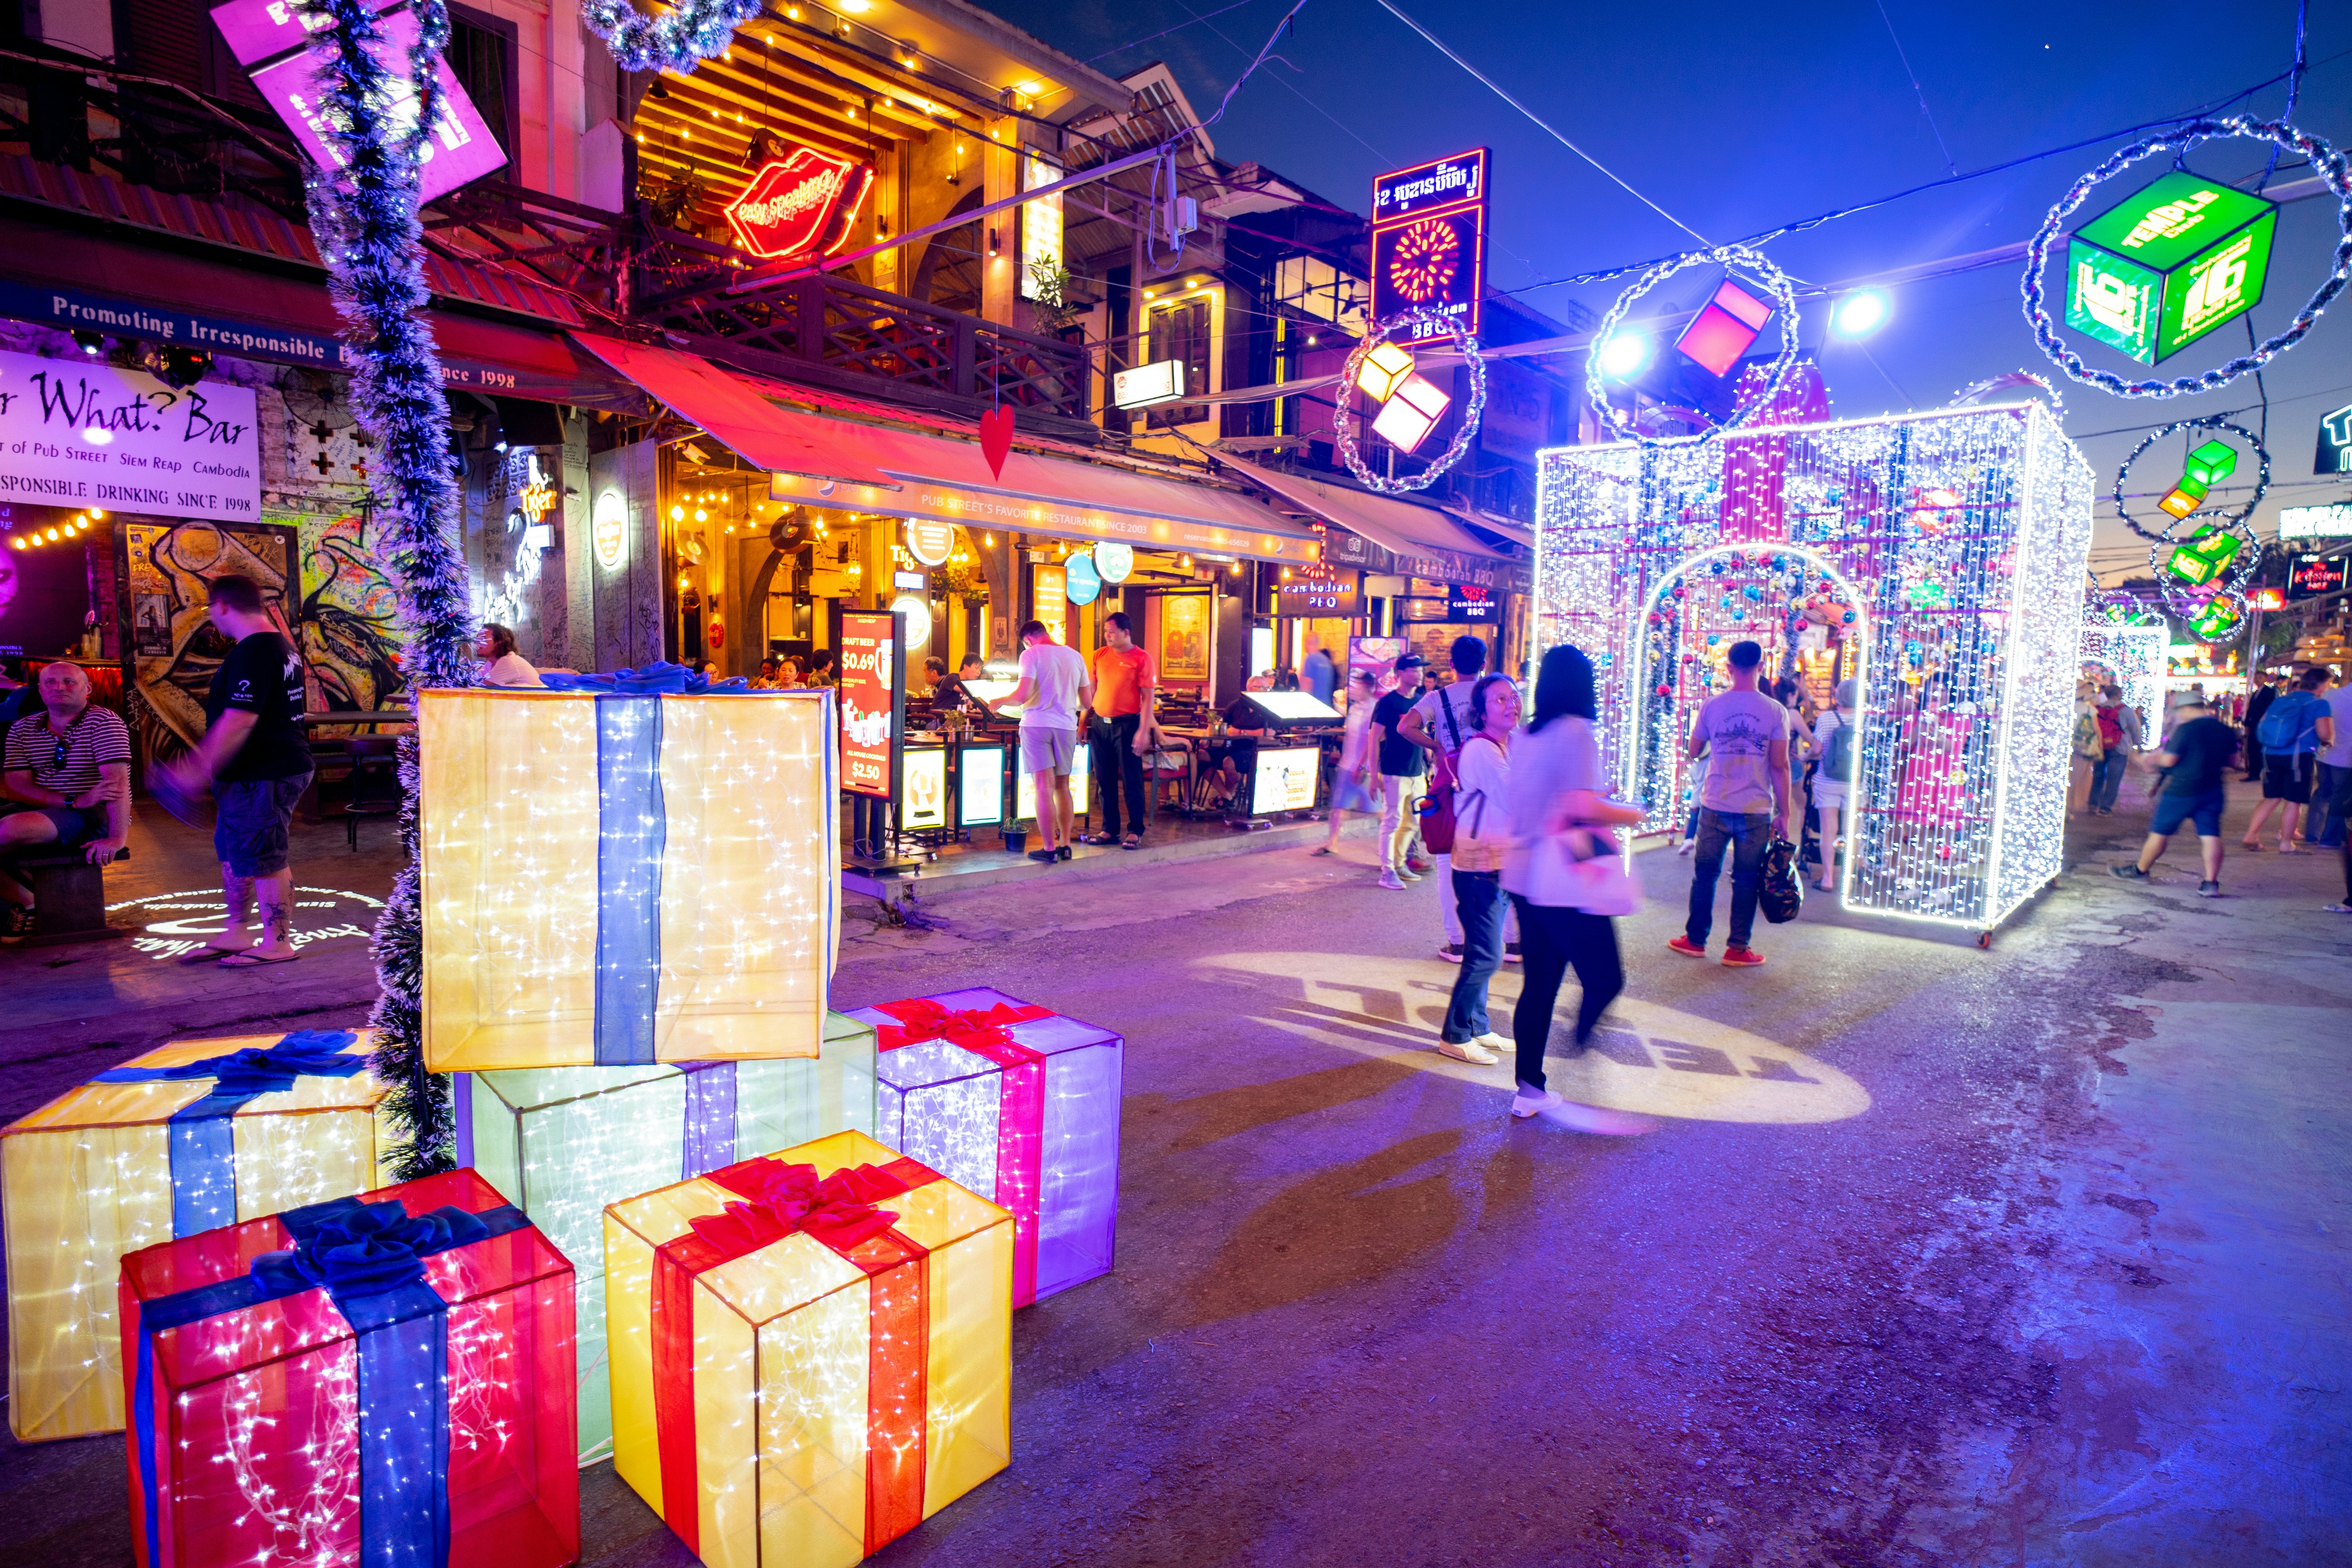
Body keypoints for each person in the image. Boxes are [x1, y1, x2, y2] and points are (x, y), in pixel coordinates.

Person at [1499, 644, 1652, 1136]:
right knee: (1606, 977)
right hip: (1562, 876)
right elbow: (1584, 805)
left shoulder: (1526, 735)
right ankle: (1580, 1042)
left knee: (1539, 984)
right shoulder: (1577, 732)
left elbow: (1546, 799)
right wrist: (1635, 812)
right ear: (1584, 685)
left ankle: (1530, 1089)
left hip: (1523, 875)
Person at [153, 574, 314, 965]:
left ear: (222, 605)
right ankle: (238, 931)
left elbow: (240, 719)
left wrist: (193, 770)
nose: (211, 618)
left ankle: (277, 943)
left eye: (210, 609)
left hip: (264, 773)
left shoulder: (254, 650)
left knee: (264, 856)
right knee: (235, 851)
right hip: (251, 773)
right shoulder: (276, 645)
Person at [1668, 638, 1789, 967]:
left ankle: (1695, 940)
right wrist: (1785, 813)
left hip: (1715, 803)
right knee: (1747, 878)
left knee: (1705, 875)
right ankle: (1738, 948)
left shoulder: (1712, 705)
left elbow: (1694, 751)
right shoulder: (1775, 711)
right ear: (1762, 667)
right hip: (1756, 808)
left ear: (1729, 668)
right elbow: (1779, 766)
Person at [1401, 635, 1520, 964]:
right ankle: (1513, 943)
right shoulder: (1495, 694)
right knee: (1503, 857)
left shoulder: (1437, 697)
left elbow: (1404, 727)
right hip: (1495, 776)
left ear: (1451, 664)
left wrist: (1437, 747)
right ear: (1484, 665)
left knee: (1448, 861)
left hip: (1454, 782)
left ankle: (1458, 943)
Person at [0, 662, 132, 941]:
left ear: (88, 689)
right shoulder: (23, 729)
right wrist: (72, 800)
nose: (59, 687)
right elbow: (17, 787)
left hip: (93, 814)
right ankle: (25, 900)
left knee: (8, 830)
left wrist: (117, 838)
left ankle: (28, 904)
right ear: (40, 690)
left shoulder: (104, 722)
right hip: (63, 806)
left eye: (69, 682)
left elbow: (117, 784)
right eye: (50, 682)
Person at [1436, 673, 1521, 1065]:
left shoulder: (1508, 746)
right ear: (1481, 711)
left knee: (1485, 950)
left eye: (1514, 697)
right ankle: (1454, 1035)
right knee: (1486, 955)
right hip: (1478, 866)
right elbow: (1513, 799)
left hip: (1498, 861)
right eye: (1500, 699)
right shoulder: (1483, 751)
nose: (1510, 704)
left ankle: (1479, 1026)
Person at [2113, 692, 2237, 896]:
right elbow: (2233, 762)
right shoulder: (2224, 730)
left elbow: (2169, 761)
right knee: (2211, 835)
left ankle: (2140, 871)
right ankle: (2210, 884)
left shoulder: (2186, 730)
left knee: (2160, 833)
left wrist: (2149, 760)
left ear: (2186, 709)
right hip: (2213, 789)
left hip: (2181, 790)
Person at [998, 619, 1089, 864]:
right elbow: (1088, 702)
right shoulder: (1075, 656)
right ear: (1045, 633)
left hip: (1037, 725)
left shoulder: (1031, 655)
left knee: (1043, 788)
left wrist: (998, 701)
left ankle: (1049, 848)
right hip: (1067, 728)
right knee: (1062, 786)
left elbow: (1022, 695)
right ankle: (1066, 845)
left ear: (1027, 640)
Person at [1085, 611, 1154, 850]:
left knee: (1131, 780)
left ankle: (1135, 830)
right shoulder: (1100, 655)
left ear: (1126, 633)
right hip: (1100, 725)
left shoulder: (1142, 658)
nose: (1107, 636)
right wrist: (1083, 722)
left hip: (1128, 725)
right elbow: (1092, 694)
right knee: (1104, 781)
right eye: (1105, 631)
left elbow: (1148, 699)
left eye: (1112, 631)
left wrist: (1143, 731)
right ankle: (1109, 829)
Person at [2244, 666, 2331, 853]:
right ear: (2323, 684)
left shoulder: (2282, 700)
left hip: (2270, 753)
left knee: (2271, 797)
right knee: (2294, 800)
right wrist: (2328, 741)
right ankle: (2286, 843)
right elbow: (2325, 734)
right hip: (2298, 756)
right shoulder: (2319, 704)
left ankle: (2251, 834)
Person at [1372, 654, 1428, 891]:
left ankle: (1400, 863)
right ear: (1400, 674)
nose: (1419, 673)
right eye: (1414, 669)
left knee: (1413, 822)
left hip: (1417, 772)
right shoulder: (1387, 703)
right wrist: (1373, 775)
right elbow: (1374, 738)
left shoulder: (1421, 701)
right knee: (1392, 822)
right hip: (1394, 771)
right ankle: (1387, 872)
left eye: (1421, 670)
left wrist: (1431, 761)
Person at [1316, 667, 1379, 858]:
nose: (1353, 688)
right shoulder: (1354, 708)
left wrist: (1362, 766)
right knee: (1338, 807)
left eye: (1357, 684)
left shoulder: (1374, 709)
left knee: (1378, 810)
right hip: (1347, 766)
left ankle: (1396, 846)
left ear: (1367, 686)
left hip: (1363, 768)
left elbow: (1372, 740)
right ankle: (1332, 843)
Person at [1809, 676, 1858, 893]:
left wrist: (1805, 757)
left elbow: (1817, 750)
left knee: (1829, 829)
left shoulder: (1827, 718)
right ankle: (1849, 876)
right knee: (1851, 830)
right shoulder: (1866, 719)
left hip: (1827, 780)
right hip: (1855, 781)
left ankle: (1828, 878)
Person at [2314, 666, 2352, 852]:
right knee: (2341, 797)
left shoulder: (2331, 695)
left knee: (2323, 792)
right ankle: (2330, 838)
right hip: (2345, 757)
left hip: (2323, 753)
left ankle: (2312, 833)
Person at [2088, 684, 2140, 815]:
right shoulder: (2126, 710)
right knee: (2114, 778)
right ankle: (2105, 808)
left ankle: (2093, 803)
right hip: (2120, 747)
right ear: (2118, 695)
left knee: (2098, 775)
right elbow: (2135, 729)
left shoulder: (2098, 708)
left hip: (2100, 746)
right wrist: (2138, 743)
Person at [2068, 680, 2105, 817]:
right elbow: (2097, 730)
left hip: (2068, 747)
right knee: (2079, 778)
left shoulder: (2067, 707)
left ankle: (2065, 806)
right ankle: (2072, 807)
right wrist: (2100, 748)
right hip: (2084, 749)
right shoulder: (2090, 710)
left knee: (2067, 776)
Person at [932, 653, 997, 722]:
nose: (979, 673)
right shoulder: (952, 678)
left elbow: (978, 699)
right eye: (977, 668)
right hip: (937, 721)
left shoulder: (971, 685)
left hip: (955, 721)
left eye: (980, 670)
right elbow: (966, 689)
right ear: (966, 666)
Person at [475, 623, 542, 687]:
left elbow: (481, 685)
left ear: (499, 642)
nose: (477, 642)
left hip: (538, 698)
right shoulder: (490, 663)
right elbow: (475, 678)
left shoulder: (508, 661)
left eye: (483, 638)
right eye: (477, 638)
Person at [2241, 673, 2279, 782]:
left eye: (2260, 677)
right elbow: (2251, 709)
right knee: (2252, 748)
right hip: (2254, 725)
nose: (2257, 680)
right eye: (2256, 677)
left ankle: (2256, 772)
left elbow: (2269, 709)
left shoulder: (2269, 692)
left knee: (2258, 748)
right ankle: (2253, 773)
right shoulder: (2256, 693)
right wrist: (2247, 723)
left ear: (2265, 679)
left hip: (2262, 725)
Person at [1301, 637, 1337, 706]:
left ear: (1308, 643)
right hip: (1327, 705)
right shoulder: (1326, 660)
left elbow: (1306, 687)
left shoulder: (1310, 659)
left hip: (1314, 706)